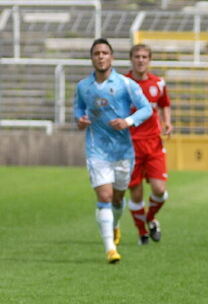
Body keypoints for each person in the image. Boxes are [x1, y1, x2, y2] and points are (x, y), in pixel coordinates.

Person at [74, 38, 152, 263]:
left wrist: (128, 121)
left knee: (118, 198)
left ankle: (116, 224)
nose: (100, 56)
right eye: (96, 53)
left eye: (104, 53)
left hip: (123, 151)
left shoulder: (125, 84)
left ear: (111, 58)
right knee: (105, 196)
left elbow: (146, 108)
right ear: (92, 58)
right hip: (96, 150)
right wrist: (80, 120)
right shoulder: (83, 86)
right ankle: (110, 248)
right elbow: (78, 108)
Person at [125, 44, 173, 245]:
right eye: (137, 56)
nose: (141, 60)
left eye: (144, 56)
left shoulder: (158, 83)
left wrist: (167, 121)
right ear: (131, 59)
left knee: (159, 189)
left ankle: (150, 217)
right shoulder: (123, 83)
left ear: (149, 60)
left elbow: (164, 104)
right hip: (130, 145)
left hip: (153, 143)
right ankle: (142, 233)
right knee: (136, 193)